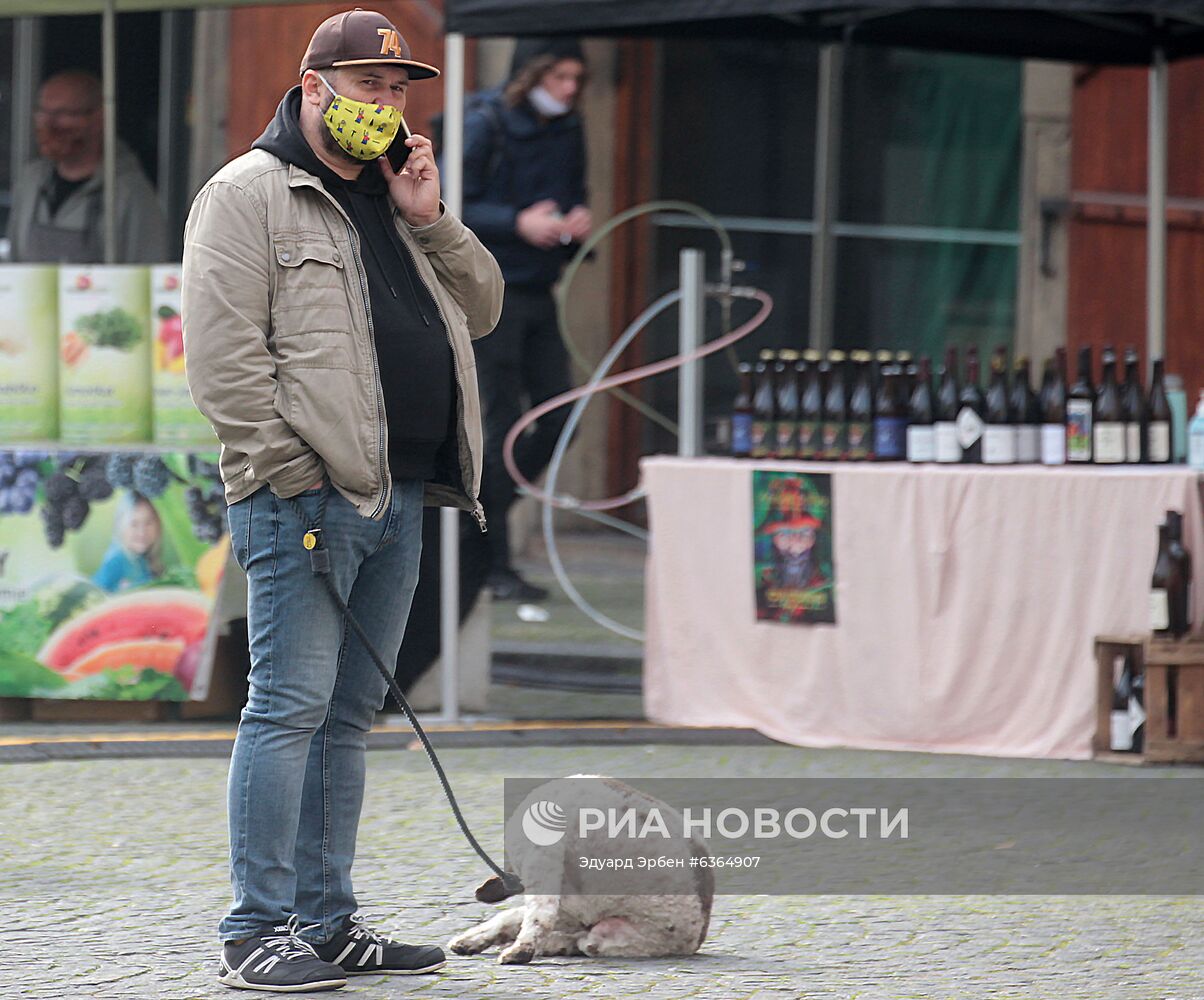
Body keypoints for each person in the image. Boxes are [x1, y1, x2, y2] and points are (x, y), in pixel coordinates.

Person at [181, 8, 502, 993]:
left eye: (398, 88)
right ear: (314, 87)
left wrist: (430, 217)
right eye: (369, 86)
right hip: (304, 498)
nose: (386, 105)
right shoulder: (247, 194)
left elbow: (483, 305)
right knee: (287, 706)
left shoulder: (393, 196)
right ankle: (256, 930)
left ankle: (329, 919)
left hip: (402, 492)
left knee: (350, 714)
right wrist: (294, 470)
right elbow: (224, 362)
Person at [458, 37, 590, 601]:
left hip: (540, 288)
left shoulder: (570, 128)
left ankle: (484, 512)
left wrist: (574, 220)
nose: (569, 90)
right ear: (532, 75)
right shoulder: (484, 121)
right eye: (559, 77)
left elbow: (572, 191)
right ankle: (491, 562)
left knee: (563, 417)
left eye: (576, 80)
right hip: (493, 291)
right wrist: (518, 223)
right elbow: (450, 200)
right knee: (500, 421)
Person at [6, 69, 166, 263]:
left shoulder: (129, 193)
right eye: (42, 112)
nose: (48, 125)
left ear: (98, 119)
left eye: (62, 114)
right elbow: (14, 260)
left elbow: (146, 271)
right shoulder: (31, 182)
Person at [93, 493, 164, 592]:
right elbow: (91, 594)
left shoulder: (147, 561)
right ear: (120, 527)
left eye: (148, 523)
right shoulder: (116, 562)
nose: (142, 532)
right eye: (134, 524)